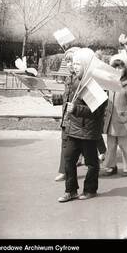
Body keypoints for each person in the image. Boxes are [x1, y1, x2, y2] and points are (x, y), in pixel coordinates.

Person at [58, 48, 107, 202]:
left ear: (86, 65)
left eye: (79, 63)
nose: (75, 66)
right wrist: (55, 99)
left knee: (91, 163)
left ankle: (90, 189)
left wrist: (77, 109)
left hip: (88, 131)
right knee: (69, 159)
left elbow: (98, 111)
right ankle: (71, 190)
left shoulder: (93, 84)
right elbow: (70, 100)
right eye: (74, 63)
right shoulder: (76, 81)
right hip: (74, 129)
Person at [102, 54, 127, 177]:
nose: (117, 70)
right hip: (111, 119)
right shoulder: (109, 83)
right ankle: (111, 166)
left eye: (120, 67)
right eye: (115, 68)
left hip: (122, 119)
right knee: (111, 145)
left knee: (123, 144)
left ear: (125, 69)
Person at [51, 47, 80, 182]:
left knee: (85, 148)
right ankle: (64, 171)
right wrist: (54, 99)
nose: (69, 64)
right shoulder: (69, 78)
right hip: (67, 119)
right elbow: (66, 98)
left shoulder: (81, 80)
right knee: (65, 146)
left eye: (72, 61)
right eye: (67, 61)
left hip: (78, 121)